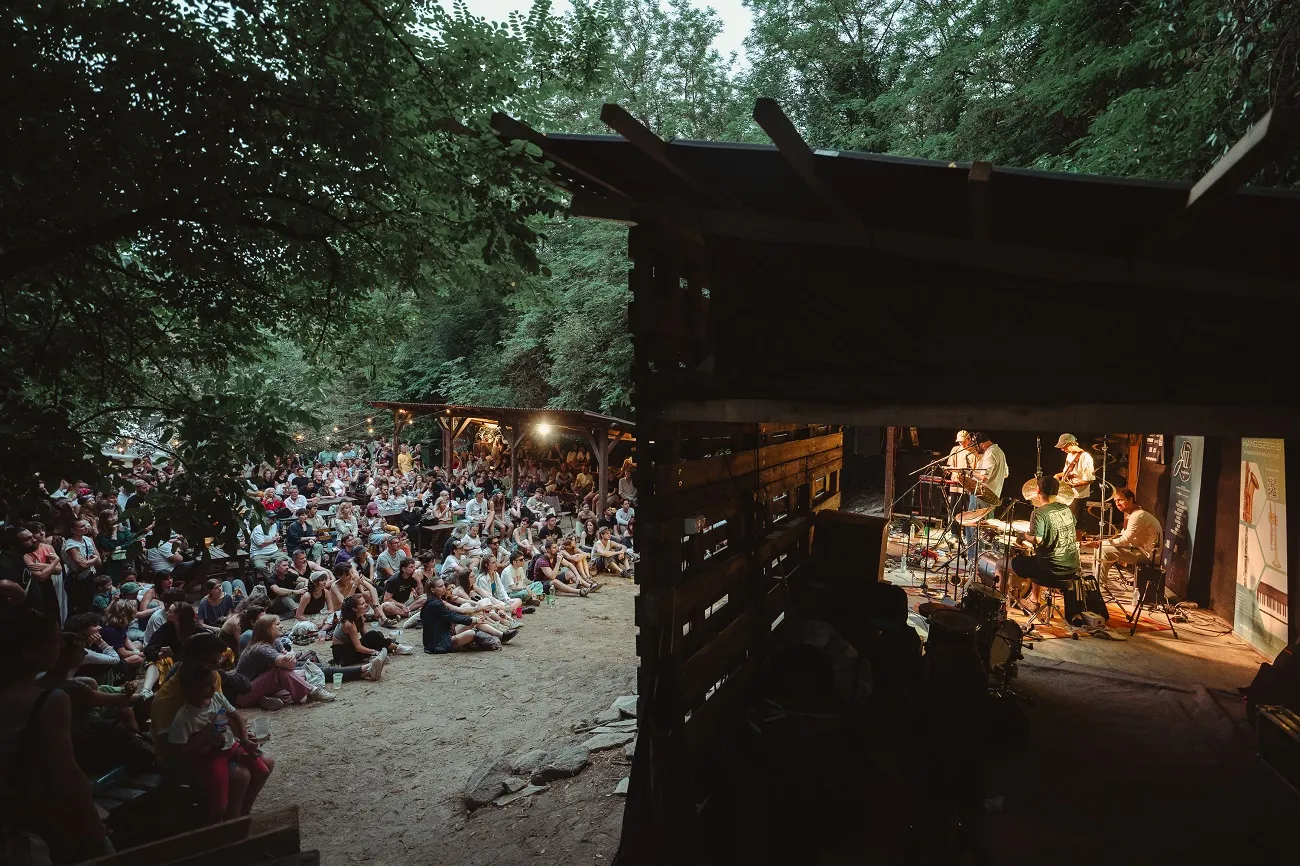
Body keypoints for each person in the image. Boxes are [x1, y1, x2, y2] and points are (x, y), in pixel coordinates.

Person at [0, 607, 109, 862]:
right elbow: (66, 776)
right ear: (29, 652)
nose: (61, 644)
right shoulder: (49, 700)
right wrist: (92, 828)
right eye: (55, 639)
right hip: (25, 820)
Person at [169, 662, 276, 822]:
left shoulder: (216, 698)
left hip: (232, 746)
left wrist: (244, 739)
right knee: (220, 806)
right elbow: (178, 751)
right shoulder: (184, 717)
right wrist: (204, 740)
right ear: (190, 689)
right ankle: (222, 827)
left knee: (262, 771)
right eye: (207, 685)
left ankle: (242, 814)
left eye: (213, 683)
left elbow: (236, 716)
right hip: (212, 756)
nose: (213, 687)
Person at [234, 615, 334, 709]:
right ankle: (312, 692)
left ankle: (266, 699)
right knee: (280, 671)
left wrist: (291, 654)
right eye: (277, 624)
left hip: (264, 684)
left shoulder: (275, 641)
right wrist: (290, 655)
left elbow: (291, 665)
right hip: (244, 694)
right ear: (267, 629)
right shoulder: (260, 648)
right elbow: (289, 665)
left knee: (303, 673)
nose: (281, 626)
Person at [1010, 476, 1080, 609]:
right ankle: (1034, 600)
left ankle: (1000, 608)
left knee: (1002, 564)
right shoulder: (1067, 510)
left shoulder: (1039, 513)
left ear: (1037, 491)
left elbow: (1037, 539)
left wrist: (1023, 536)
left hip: (1050, 570)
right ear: (1058, 492)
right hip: (1072, 568)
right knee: (1039, 558)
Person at [1082, 487, 1162, 588]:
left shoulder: (1138, 516)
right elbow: (1122, 536)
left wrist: (1100, 543)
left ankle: (1099, 586)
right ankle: (1095, 582)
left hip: (1147, 556)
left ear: (1130, 499)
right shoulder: (1133, 515)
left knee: (1103, 550)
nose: (1117, 504)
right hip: (1138, 549)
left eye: (1120, 500)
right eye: (1115, 501)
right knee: (1100, 548)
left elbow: (1124, 540)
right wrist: (1101, 541)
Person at [420, 577, 512, 653]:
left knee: (473, 622)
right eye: (440, 586)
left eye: (443, 585)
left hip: (444, 634)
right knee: (472, 633)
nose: (444, 587)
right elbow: (453, 617)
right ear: (433, 590)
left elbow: (453, 614)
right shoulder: (434, 604)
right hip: (439, 643)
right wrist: (473, 619)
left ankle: (501, 635)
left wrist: (473, 618)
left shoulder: (436, 601)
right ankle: (492, 641)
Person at [331, 596, 411, 669]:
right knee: (373, 635)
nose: (366, 605)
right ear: (354, 609)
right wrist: (375, 651)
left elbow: (366, 637)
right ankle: (395, 648)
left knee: (377, 634)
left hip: (350, 647)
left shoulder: (359, 617)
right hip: (343, 655)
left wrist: (379, 641)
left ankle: (390, 648)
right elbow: (358, 647)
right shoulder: (349, 623)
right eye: (362, 604)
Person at [964, 432, 1009, 559]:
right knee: (987, 531)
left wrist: (970, 472)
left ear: (982, 444)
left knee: (973, 527)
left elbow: (984, 477)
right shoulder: (999, 452)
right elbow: (1006, 473)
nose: (975, 449)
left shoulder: (990, 453)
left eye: (976, 446)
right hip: (992, 496)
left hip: (982, 495)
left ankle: (974, 559)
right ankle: (985, 560)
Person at [61, 519, 102, 615]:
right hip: (78, 579)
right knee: (78, 606)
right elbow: (82, 566)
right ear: (73, 530)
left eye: (86, 525)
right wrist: (93, 560)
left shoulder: (88, 539)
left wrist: (90, 561)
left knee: (88, 604)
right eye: (82, 526)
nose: (86, 528)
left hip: (90, 575)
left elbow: (99, 561)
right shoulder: (71, 545)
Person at [1053, 433, 1096, 513]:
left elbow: (1090, 480)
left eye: (1064, 446)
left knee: (1075, 521)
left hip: (1078, 496)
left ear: (1072, 443)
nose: (1062, 449)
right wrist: (1058, 475)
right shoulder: (1069, 455)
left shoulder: (1085, 457)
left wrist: (1072, 485)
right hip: (1068, 494)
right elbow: (1067, 472)